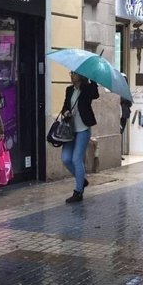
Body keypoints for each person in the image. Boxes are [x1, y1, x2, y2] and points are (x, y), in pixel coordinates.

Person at [61, 71, 99, 203]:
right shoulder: (69, 89)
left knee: (77, 159)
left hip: (83, 128)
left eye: (74, 74)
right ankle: (81, 179)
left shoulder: (87, 89)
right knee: (66, 159)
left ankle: (78, 192)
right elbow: (65, 105)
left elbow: (95, 94)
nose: (71, 76)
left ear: (81, 76)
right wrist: (65, 111)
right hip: (70, 130)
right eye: (71, 73)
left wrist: (93, 79)